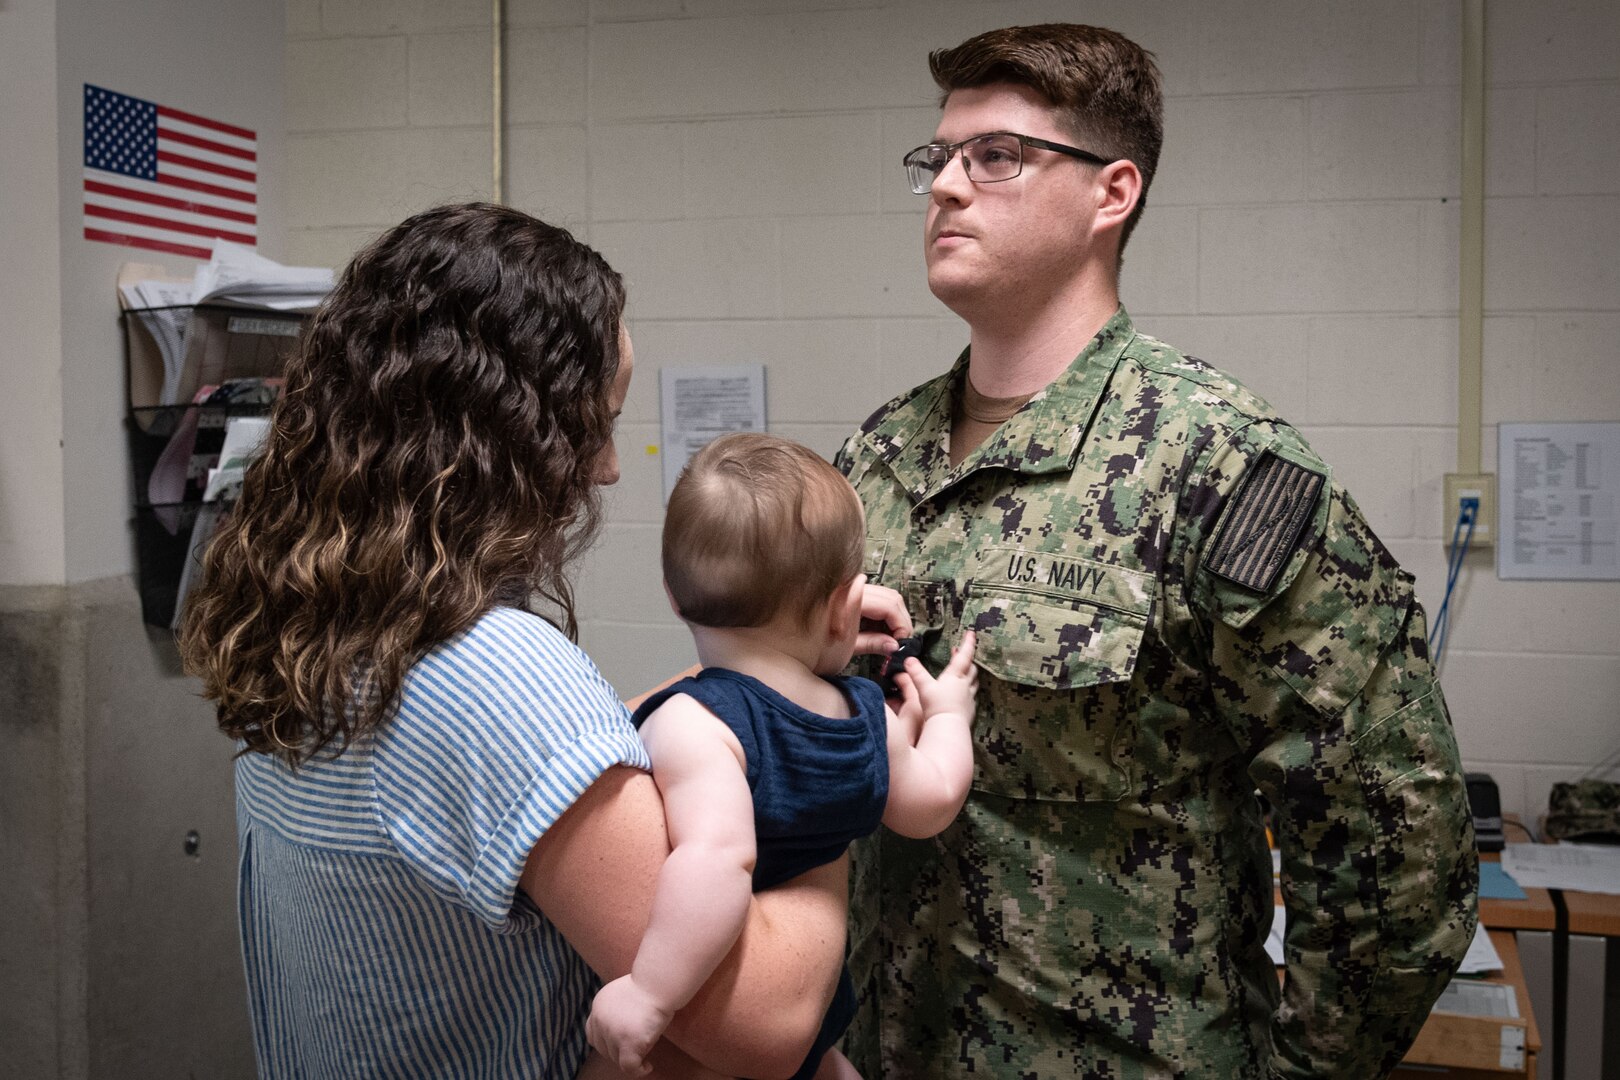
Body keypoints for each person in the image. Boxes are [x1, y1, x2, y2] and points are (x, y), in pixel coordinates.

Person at [833, 24, 1480, 1079]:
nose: (948, 185)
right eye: (939, 158)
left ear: (1112, 192)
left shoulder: (1214, 462)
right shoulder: (875, 456)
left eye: (995, 155)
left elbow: (1395, 832)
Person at [179, 203, 872, 1080]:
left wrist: (745, 679)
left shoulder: (313, 624)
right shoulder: (499, 674)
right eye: (600, 424)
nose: (608, 469)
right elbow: (764, 1024)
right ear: (515, 432)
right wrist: (821, 742)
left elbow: (466, 783)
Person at [585, 432, 979, 1080]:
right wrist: (947, 716)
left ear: (672, 594)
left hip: (709, 1025)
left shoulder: (694, 723)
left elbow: (717, 859)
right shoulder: (863, 717)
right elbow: (932, 798)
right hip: (819, 1024)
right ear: (844, 611)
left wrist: (648, 993)